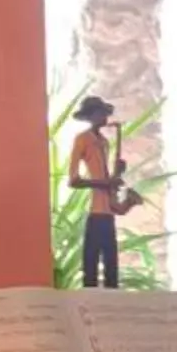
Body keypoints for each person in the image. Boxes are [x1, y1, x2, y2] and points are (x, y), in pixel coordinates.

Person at [66, 94, 134, 289]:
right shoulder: (82, 139)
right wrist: (105, 183)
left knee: (112, 269)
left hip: (107, 212)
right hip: (96, 213)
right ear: (91, 116)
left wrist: (117, 173)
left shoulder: (104, 142)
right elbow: (74, 180)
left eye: (104, 113)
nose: (104, 118)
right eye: (99, 113)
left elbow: (103, 174)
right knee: (91, 269)